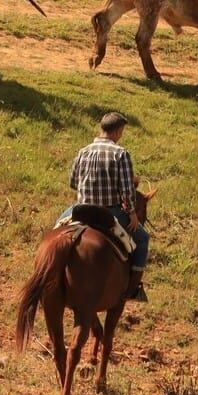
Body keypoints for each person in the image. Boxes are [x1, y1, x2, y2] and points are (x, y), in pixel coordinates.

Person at [66, 112, 149, 301]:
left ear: (102, 128)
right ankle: (133, 289)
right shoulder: (121, 154)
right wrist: (132, 214)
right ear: (118, 131)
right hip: (108, 212)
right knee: (143, 239)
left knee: (56, 228)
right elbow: (127, 191)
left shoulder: (83, 151)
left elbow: (72, 182)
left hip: (81, 209)